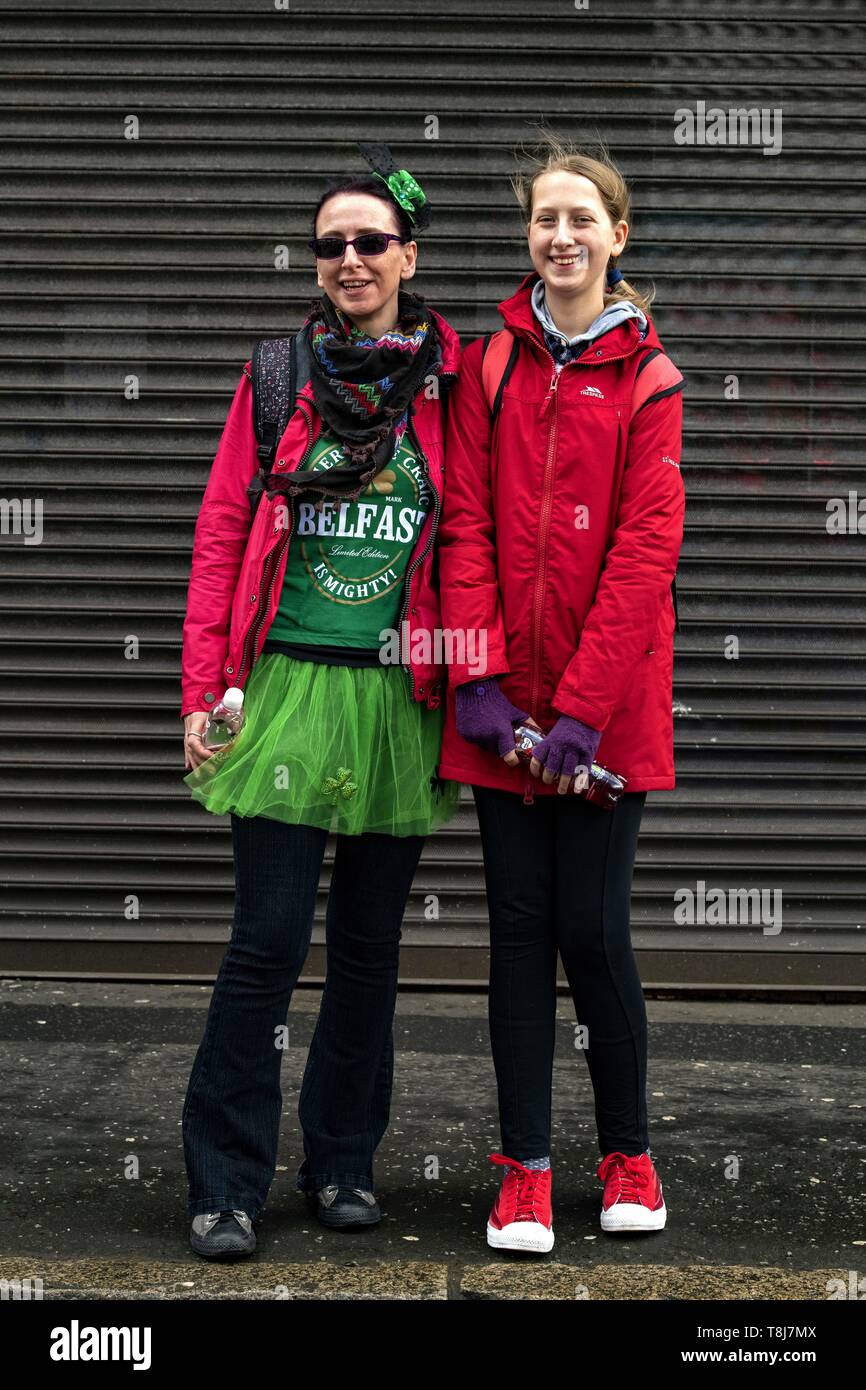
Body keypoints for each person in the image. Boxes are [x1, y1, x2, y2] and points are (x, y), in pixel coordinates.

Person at [179, 151, 461, 1259]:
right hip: (285, 686)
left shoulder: (449, 380)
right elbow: (217, 538)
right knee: (265, 939)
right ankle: (225, 1183)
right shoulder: (279, 374)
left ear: (407, 255)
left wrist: (463, 678)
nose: (350, 259)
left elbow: (471, 544)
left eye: (370, 241)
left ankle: (343, 1163)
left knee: (369, 948)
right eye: (331, 244)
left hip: (397, 697)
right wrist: (203, 689)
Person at [436, 137, 685, 1253]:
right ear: (526, 235)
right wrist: (477, 678)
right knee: (516, 937)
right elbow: (465, 523)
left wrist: (579, 713)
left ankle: (626, 1153)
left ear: (615, 235)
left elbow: (643, 552)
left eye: (581, 217)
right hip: (503, 715)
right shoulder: (487, 368)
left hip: (603, 717)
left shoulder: (648, 378)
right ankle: (522, 1170)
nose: (561, 236)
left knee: (592, 931)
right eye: (544, 218)